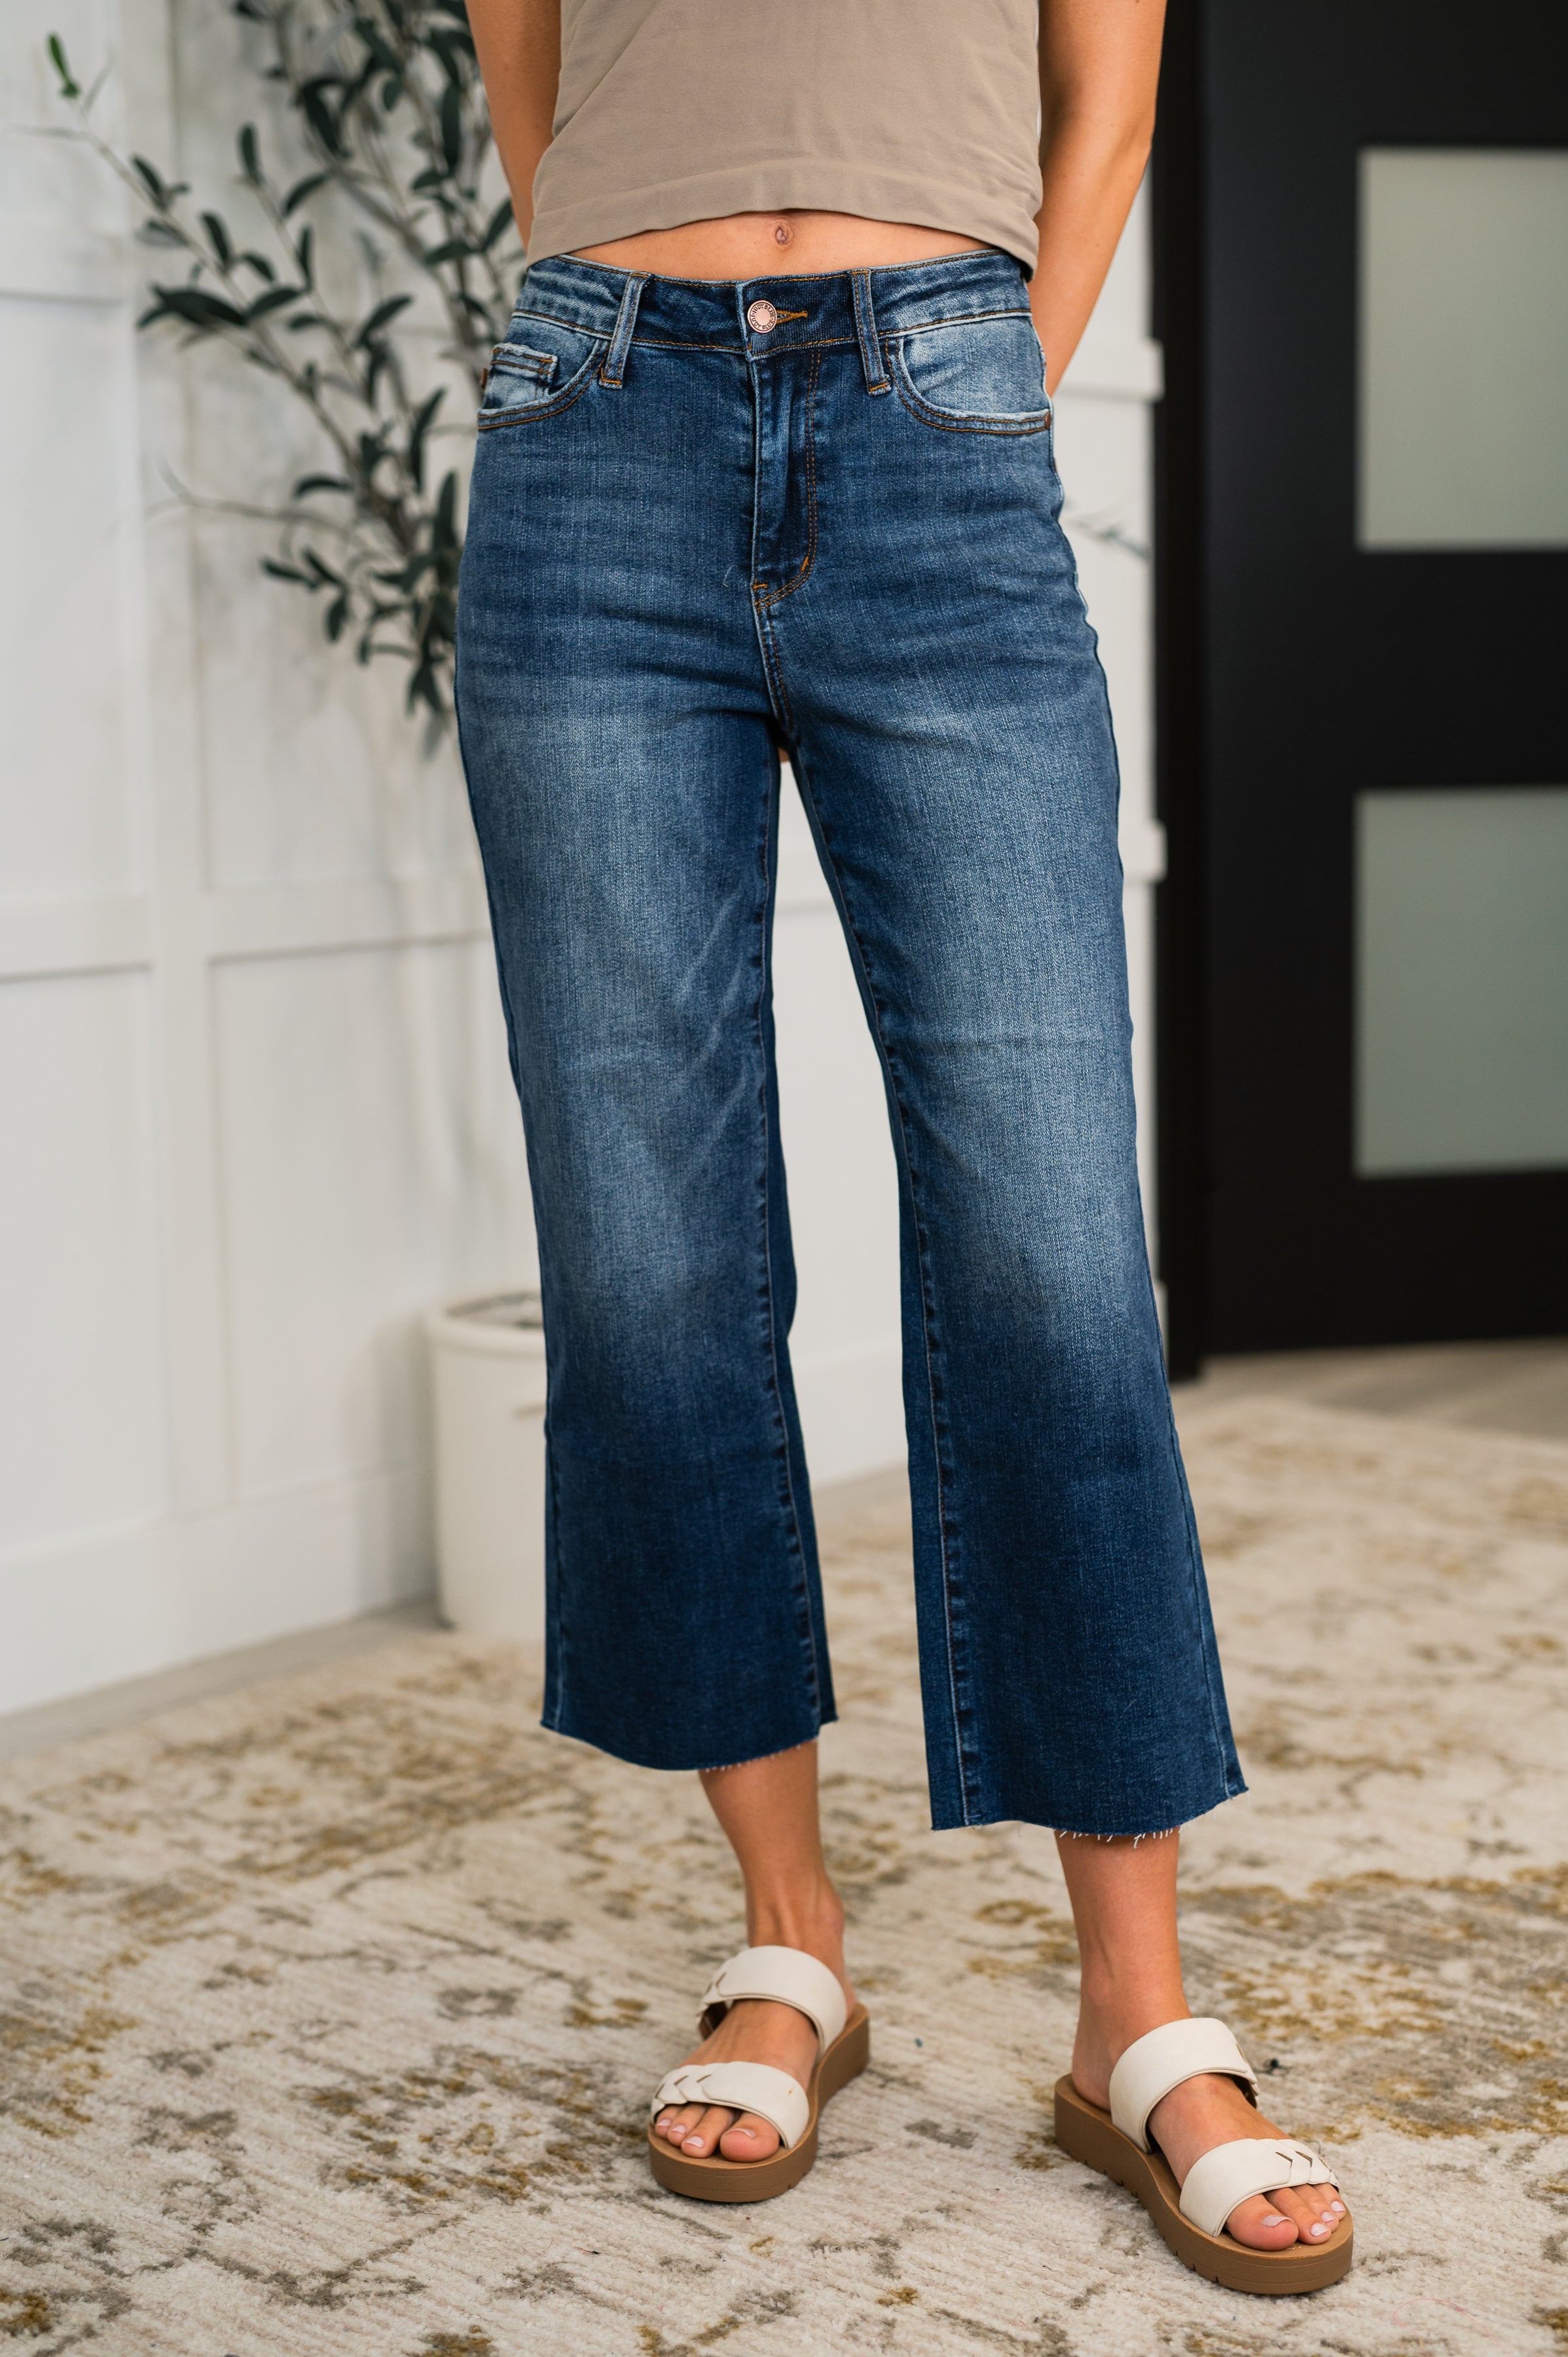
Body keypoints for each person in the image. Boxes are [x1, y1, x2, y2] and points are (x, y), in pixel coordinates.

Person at [456, 0, 1351, 2295]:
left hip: (934, 402)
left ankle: (1135, 2009)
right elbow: (526, 61)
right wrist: (619, 295)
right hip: (594, 420)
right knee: (644, 1242)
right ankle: (788, 1942)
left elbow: (1106, 88)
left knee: (1046, 1240)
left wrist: (983, 381)